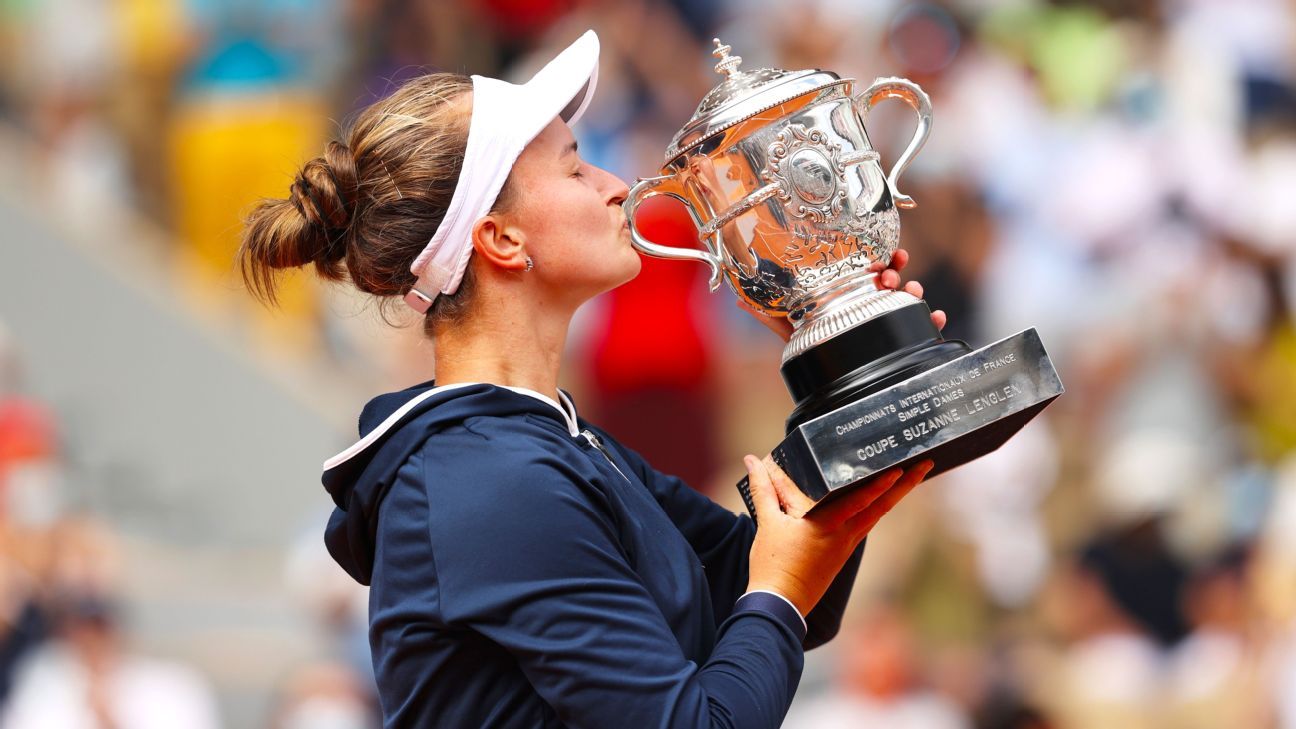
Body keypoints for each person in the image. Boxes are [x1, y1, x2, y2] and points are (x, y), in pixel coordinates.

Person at [239, 30, 942, 729]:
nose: (615, 187)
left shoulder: (539, 442)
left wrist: (842, 355)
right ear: (502, 240)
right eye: (577, 169)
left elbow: (749, 588)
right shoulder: (491, 478)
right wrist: (780, 591)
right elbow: (730, 672)